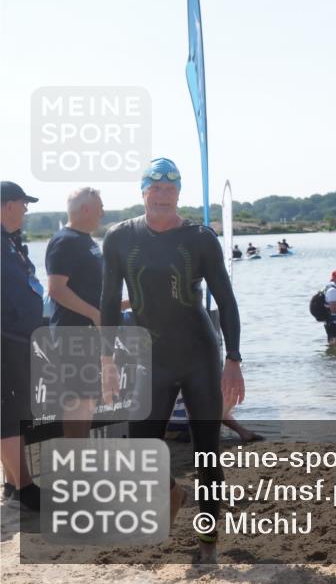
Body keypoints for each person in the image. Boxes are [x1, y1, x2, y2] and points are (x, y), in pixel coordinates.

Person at [100, 158, 243, 563]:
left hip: (200, 354)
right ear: (143, 191)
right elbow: (108, 301)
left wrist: (233, 359)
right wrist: (107, 359)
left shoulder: (200, 238)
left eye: (170, 188)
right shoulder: (119, 237)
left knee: (206, 453)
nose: (163, 195)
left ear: (179, 193)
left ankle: (208, 542)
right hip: (152, 357)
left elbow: (226, 300)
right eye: (155, 187)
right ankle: (173, 492)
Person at [45, 187, 105, 438]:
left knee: (87, 402)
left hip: (88, 334)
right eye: (100, 208)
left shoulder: (86, 240)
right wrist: (94, 314)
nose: (103, 213)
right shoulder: (65, 241)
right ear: (86, 209)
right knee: (77, 403)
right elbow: (56, 289)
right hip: (72, 335)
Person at [0, 181, 43, 511]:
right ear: (7, 205)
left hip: (17, 337)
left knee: (14, 412)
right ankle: (24, 487)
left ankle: (14, 483)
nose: (26, 210)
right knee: (10, 412)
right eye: (23, 203)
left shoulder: (10, 241)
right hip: (6, 339)